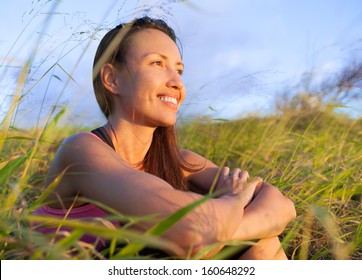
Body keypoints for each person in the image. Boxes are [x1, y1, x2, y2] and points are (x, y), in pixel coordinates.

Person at [34, 16, 296, 259]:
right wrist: (235, 199)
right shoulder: (81, 151)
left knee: (263, 243)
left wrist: (222, 229)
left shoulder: (177, 160)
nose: (177, 82)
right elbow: (192, 230)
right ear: (112, 79)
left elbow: (282, 205)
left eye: (179, 70)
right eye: (157, 63)